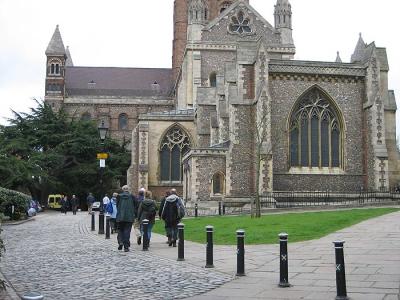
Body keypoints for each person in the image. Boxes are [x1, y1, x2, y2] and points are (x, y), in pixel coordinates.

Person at [116, 185, 136, 252]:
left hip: (120, 217)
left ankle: (120, 242)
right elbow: (136, 205)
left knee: (120, 230)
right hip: (129, 217)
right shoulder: (132, 196)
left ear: (123, 190)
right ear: (128, 189)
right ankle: (126, 247)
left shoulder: (119, 196)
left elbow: (117, 205)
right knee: (127, 232)